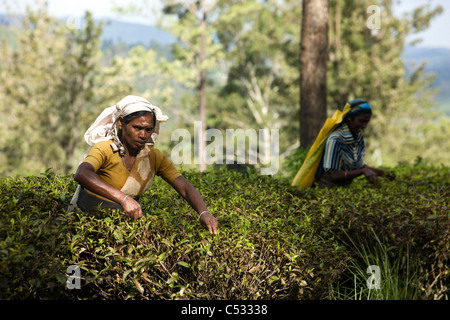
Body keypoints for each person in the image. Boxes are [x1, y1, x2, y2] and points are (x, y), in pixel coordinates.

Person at [69, 95, 218, 234]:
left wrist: (204, 213)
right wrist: (124, 199)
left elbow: (184, 187)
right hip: (87, 223)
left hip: (123, 229)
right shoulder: (105, 148)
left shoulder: (153, 156)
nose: (143, 135)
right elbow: (82, 174)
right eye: (137, 128)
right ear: (121, 122)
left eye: (148, 130)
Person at [292, 99, 394, 188]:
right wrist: (362, 172)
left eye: (366, 122)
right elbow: (334, 174)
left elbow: (359, 166)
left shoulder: (358, 138)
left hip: (345, 188)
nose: (364, 126)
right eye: (361, 121)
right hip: (328, 189)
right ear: (349, 118)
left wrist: (381, 173)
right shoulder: (335, 139)